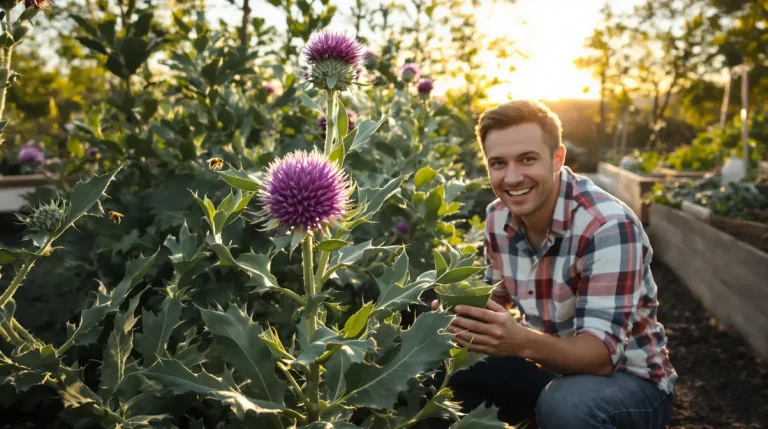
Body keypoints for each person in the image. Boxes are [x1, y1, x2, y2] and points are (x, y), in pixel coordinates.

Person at [429, 100, 677, 429]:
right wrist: (461, 316)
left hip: (631, 386)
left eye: (527, 159)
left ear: (557, 158)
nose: (512, 177)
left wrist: (520, 341)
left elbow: (602, 357)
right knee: (436, 364)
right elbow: (496, 298)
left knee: (566, 405)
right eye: (498, 163)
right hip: (549, 370)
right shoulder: (497, 217)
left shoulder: (606, 226)